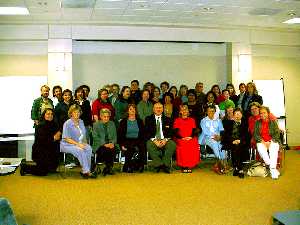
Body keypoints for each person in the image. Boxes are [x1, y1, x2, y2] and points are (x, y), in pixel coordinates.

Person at [20, 108, 61, 176]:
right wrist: (53, 138)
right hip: (40, 151)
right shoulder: (40, 125)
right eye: (48, 114)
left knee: (52, 168)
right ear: (44, 115)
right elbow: (41, 141)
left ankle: (47, 166)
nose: (50, 115)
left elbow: (58, 138)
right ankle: (25, 167)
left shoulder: (55, 125)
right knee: (42, 172)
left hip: (50, 152)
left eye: (51, 114)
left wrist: (59, 134)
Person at [60, 105, 96, 179]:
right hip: (67, 144)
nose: (77, 114)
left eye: (78, 112)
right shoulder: (67, 123)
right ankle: (86, 171)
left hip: (78, 143)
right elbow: (66, 138)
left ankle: (86, 169)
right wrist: (78, 144)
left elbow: (83, 134)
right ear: (71, 113)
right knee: (80, 150)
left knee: (88, 148)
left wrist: (84, 143)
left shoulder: (81, 122)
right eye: (75, 112)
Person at [145, 102, 176, 173]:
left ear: (163, 109)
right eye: (157, 108)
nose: (158, 109)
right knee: (148, 144)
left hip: (165, 139)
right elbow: (146, 132)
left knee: (172, 144)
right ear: (153, 109)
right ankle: (159, 164)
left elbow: (171, 132)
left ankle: (164, 164)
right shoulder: (148, 119)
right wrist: (154, 140)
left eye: (160, 108)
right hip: (153, 140)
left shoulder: (168, 119)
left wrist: (165, 140)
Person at [253, 106, 281, 179]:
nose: (262, 115)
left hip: (272, 141)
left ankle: (272, 170)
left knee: (273, 151)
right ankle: (271, 165)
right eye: (261, 113)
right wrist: (263, 142)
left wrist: (269, 142)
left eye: (264, 113)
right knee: (261, 150)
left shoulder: (273, 122)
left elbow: (277, 133)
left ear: (268, 113)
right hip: (261, 141)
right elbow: (256, 134)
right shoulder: (257, 122)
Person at [118, 104, 146, 173]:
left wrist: (142, 141)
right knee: (130, 147)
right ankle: (128, 165)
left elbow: (143, 134)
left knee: (142, 146)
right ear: (128, 111)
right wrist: (122, 145)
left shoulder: (140, 121)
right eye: (130, 109)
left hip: (138, 139)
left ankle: (140, 165)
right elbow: (120, 135)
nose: (132, 110)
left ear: (136, 111)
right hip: (127, 140)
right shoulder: (123, 121)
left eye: (134, 109)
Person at [222, 108, 249, 178]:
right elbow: (226, 135)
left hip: (242, 141)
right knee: (236, 146)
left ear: (242, 115)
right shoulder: (229, 123)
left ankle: (237, 167)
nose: (237, 116)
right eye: (235, 114)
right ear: (233, 115)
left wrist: (240, 140)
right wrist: (232, 140)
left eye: (239, 114)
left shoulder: (245, 123)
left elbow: (246, 135)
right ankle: (240, 169)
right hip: (231, 141)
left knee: (237, 146)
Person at [199, 105, 225, 174]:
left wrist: (219, 137)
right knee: (214, 143)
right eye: (209, 111)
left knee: (221, 144)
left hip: (217, 137)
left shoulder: (218, 120)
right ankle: (221, 163)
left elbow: (222, 130)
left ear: (215, 111)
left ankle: (219, 164)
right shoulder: (203, 121)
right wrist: (215, 137)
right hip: (206, 138)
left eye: (213, 111)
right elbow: (205, 132)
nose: (211, 112)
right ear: (206, 112)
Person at [173, 105, 200, 173]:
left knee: (193, 142)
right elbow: (175, 132)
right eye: (182, 110)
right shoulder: (177, 120)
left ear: (188, 111)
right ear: (180, 112)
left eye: (186, 109)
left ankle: (190, 165)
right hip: (180, 137)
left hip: (190, 137)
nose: (184, 111)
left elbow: (194, 130)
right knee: (183, 144)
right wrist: (182, 138)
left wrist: (190, 137)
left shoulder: (192, 120)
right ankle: (184, 165)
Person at [92, 108, 117, 176]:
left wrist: (112, 143)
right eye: (104, 116)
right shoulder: (96, 125)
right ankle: (104, 167)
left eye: (108, 116)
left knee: (112, 149)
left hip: (110, 144)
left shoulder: (112, 124)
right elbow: (95, 137)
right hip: (99, 144)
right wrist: (104, 144)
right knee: (104, 149)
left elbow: (115, 136)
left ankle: (108, 167)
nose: (106, 118)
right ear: (101, 116)